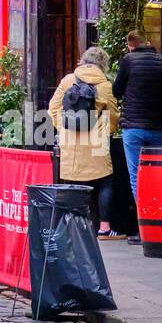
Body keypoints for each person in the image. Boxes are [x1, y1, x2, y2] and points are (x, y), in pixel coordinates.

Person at [49, 44, 120, 238]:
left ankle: (71, 226)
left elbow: (53, 107)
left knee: (71, 182)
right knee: (105, 181)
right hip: (97, 142)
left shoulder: (68, 80)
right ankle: (104, 228)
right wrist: (109, 130)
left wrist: (62, 127)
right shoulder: (105, 86)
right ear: (102, 64)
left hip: (70, 141)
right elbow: (113, 114)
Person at [112, 31, 162, 242]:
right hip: (157, 127)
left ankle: (145, 228)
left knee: (136, 176)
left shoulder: (129, 61)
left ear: (131, 46)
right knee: (159, 175)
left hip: (133, 127)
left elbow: (116, 90)